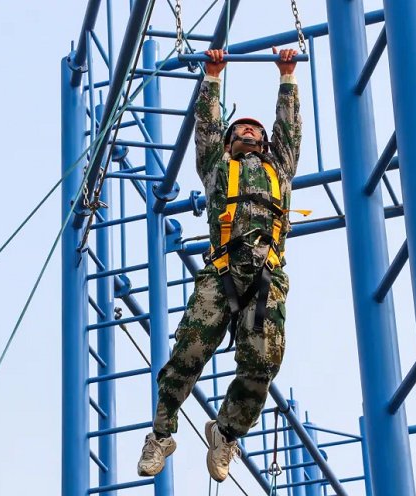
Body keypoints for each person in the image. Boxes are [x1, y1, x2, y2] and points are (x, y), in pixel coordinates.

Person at [137, 46, 302, 482]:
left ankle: (226, 433)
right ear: (230, 140)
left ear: (265, 142)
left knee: (262, 362)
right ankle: (161, 433)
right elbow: (206, 126)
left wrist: (287, 78)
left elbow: (290, 130)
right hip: (222, 272)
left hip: (266, 275)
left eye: (255, 128)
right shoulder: (216, 166)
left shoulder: (279, 169)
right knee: (190, 351)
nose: (248, 131)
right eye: (241, 128)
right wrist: (212, 76)